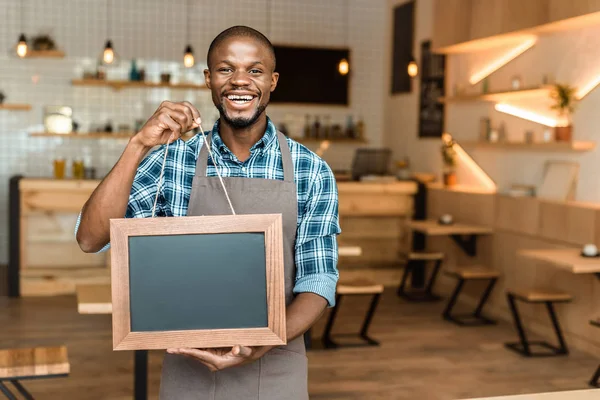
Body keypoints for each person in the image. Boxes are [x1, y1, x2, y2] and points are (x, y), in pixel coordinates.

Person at [75, 25, 340, 399]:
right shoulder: (173, 160)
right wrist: (138, 145)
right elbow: (90, 238)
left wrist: (261, 343)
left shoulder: (312, 170)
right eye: (226, 69)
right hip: (189, 370)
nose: (240, 81)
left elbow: (318, 281)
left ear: (273, 81)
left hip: (277, 366)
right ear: (208, 79)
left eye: (255, 70)